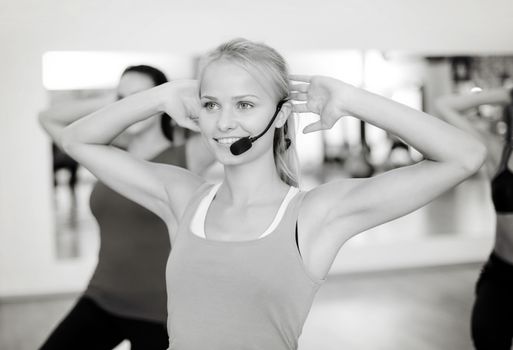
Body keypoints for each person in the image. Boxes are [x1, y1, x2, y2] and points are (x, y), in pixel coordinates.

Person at [61, 39, 486, 350]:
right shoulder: (183, 196)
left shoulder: (315, 214)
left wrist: (352, 99)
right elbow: (78, 141)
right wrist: (159, 96)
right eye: (211, 105)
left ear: (280, 115)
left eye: (245, 105)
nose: (224, 123)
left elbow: (465, 156)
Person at [38, 65, 213, 350]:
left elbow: (232, 125)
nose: (130, 101)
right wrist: (122, 103)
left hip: (161, 310)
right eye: (123, 96)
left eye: (139, 95)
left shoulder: (189, 154)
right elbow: (47, 118)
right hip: (103, 296)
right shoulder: (105, 154)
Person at [436, 87, 513, 350]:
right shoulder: (499, 152)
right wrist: (506, 93)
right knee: (486, 339)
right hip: (500, 273)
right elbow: (444, 105)